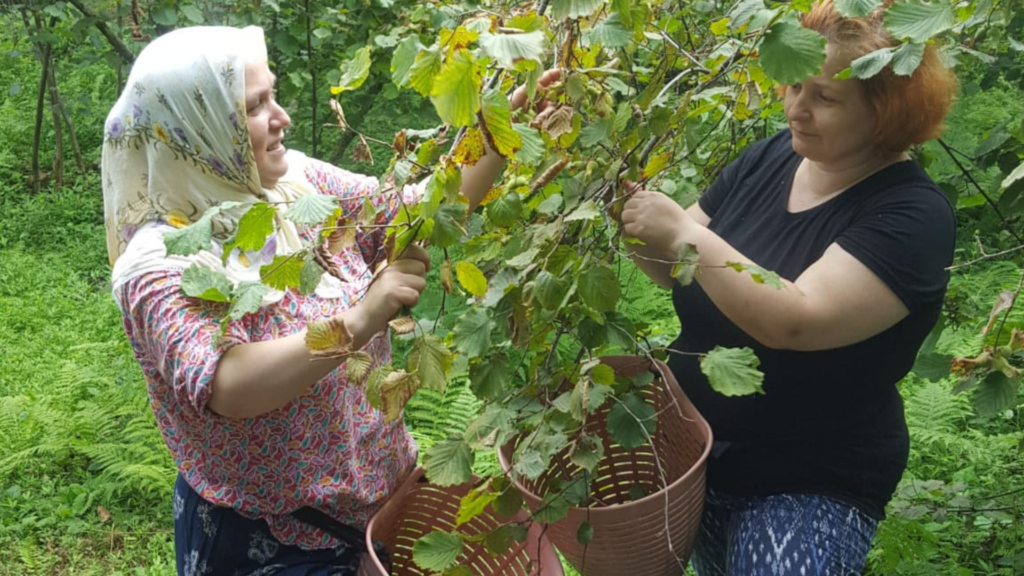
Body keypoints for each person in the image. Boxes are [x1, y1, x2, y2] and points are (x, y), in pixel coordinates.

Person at [102, 25, 544, 576]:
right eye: (256, 106)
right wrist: (357, 320)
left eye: (274, 94)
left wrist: (501, 131)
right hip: (275, 545)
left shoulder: (298, 186)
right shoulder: (159, 264)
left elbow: (413, 213)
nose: (282, 116)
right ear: (197, 130)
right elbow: (228, 384)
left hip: (382, 509)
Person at [621, 1, 957, 575]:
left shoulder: (911, 215)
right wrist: (623, 208)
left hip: (809, 480)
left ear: (888, 112)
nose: (797, 109)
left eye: (824, 98)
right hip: (701, 459)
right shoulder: (770, 158)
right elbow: (677, 267)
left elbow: (796, 320)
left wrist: (681, 230)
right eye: (794, 85)